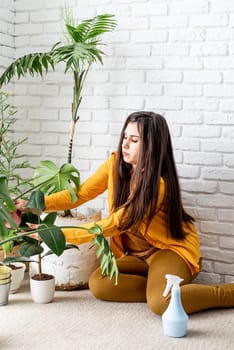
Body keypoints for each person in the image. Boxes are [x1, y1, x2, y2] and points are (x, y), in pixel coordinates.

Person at [20, 111, 234, 315]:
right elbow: (82, 193)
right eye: (125, 137)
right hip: (137, 258)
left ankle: (226, 293)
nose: (124, 144)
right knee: (99, 283)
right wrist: (35, 204)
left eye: (134, 140)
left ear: (151, 145)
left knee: (161, 304)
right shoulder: (115, 164)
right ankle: (157, 285)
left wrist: (55, 233)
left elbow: (115, 224)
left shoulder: (157, 185)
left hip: (168, 252)